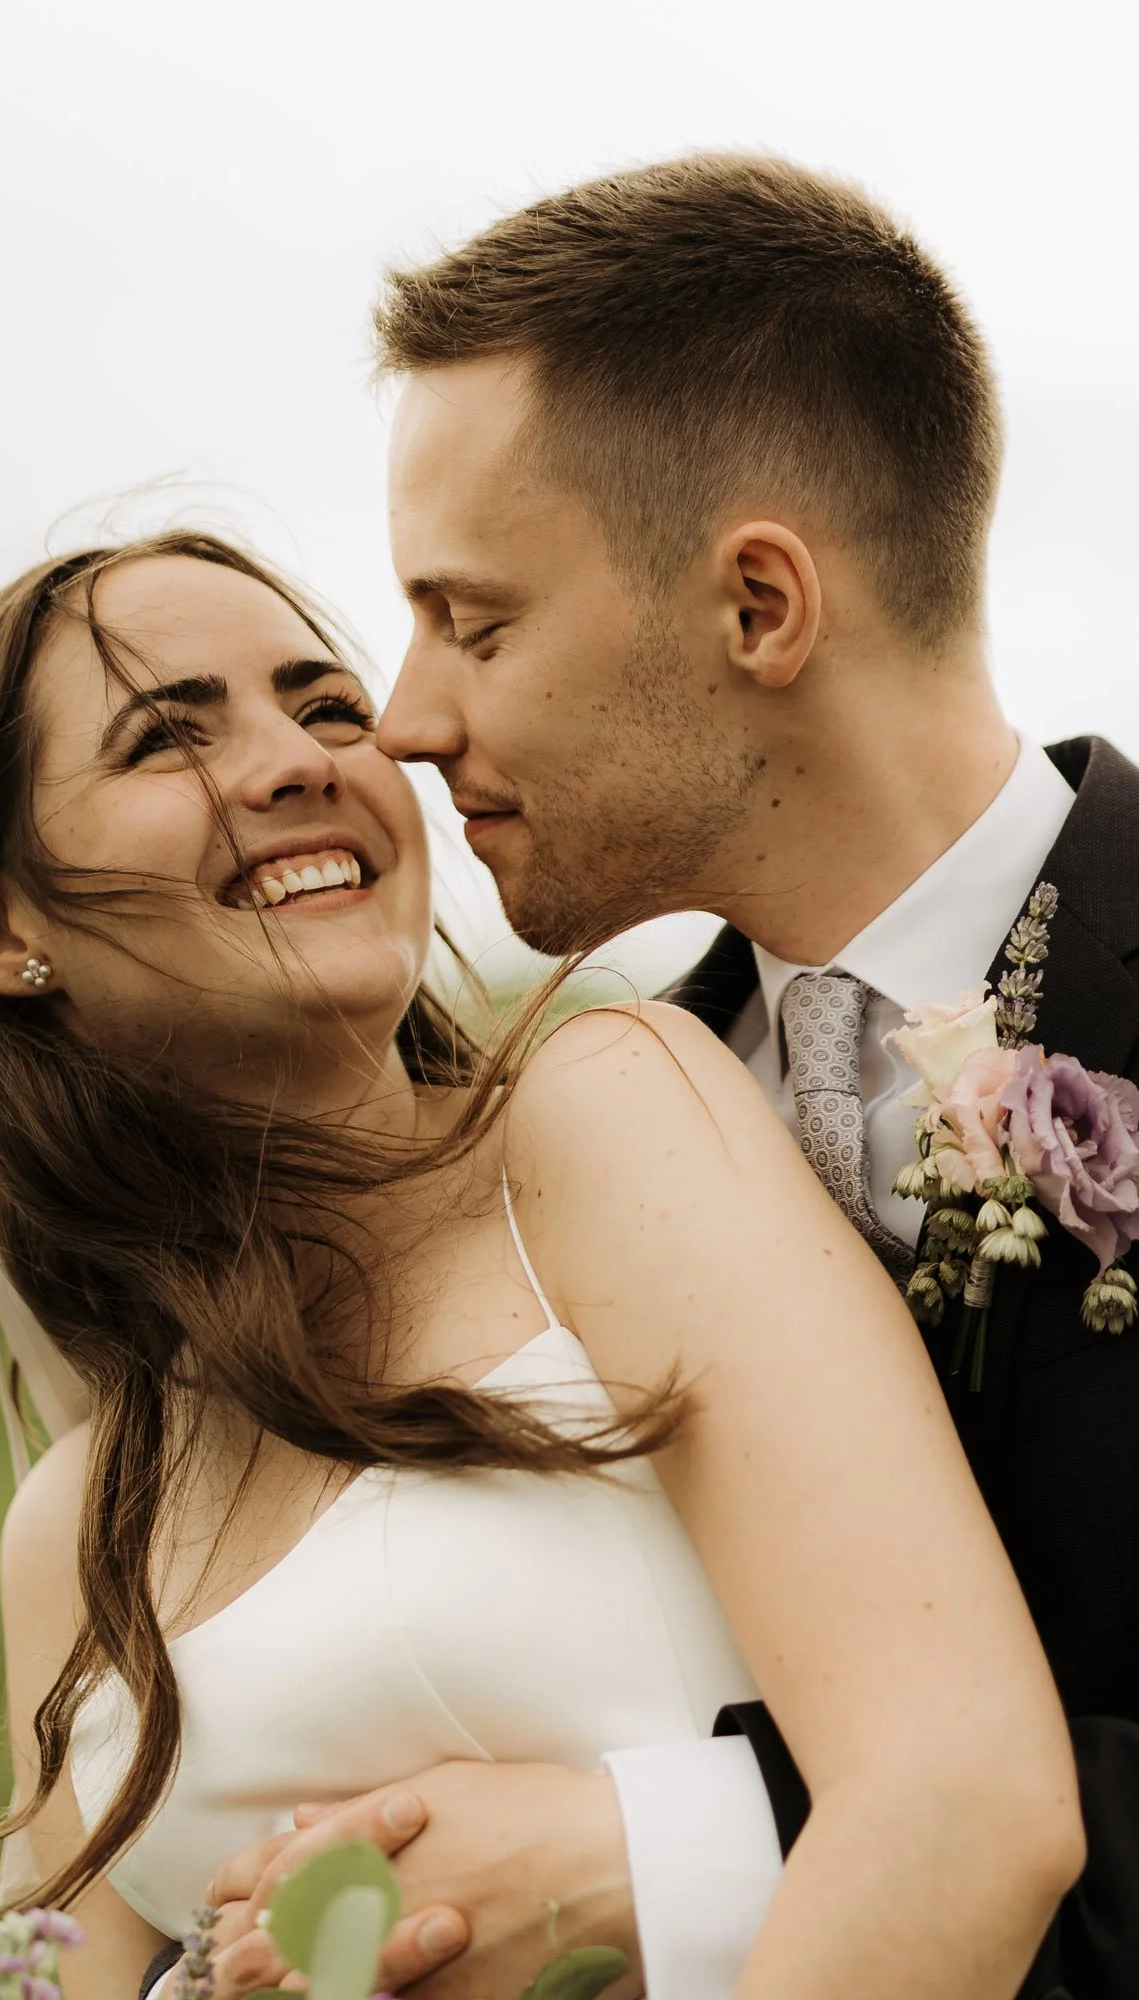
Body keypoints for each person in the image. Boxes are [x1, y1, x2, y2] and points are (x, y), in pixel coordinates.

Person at [0, 528, 1080, 2000]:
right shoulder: (75, 1530)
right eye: (167, 738)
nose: (305, 757)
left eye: (322, 706)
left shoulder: (611, 1115)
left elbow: (964, 1801)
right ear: (3, 926)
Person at [204, 153, 1139, 2000]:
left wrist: (686, 1847)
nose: (403, 719)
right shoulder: (561, 1165)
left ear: (762, 608)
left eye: (473, 620)